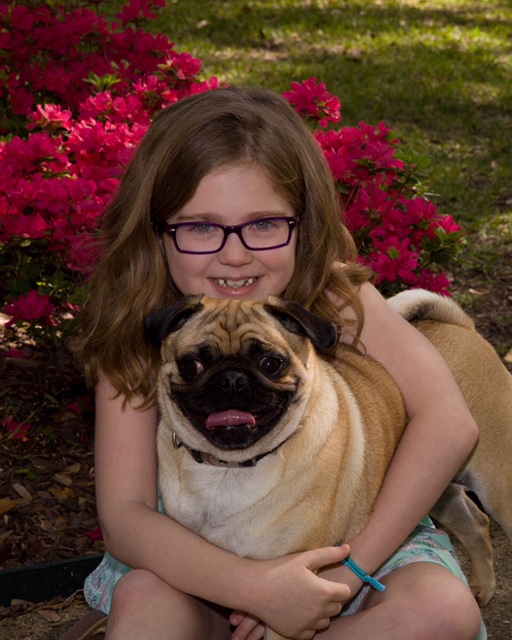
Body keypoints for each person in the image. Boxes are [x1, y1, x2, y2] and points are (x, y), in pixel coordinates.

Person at [73, 87, 485, 640]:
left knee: (442, 610)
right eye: (200, 227)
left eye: (264, 224)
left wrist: (347, 572)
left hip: (359, 550)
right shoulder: (138, 327)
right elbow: (126, 516)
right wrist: (256, 589)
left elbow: (449, 422)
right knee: (147, 604)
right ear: (156, 232)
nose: (235, 254)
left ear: (303, 223)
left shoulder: (333, 296)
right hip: (194, 568)